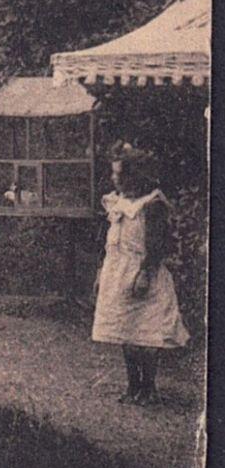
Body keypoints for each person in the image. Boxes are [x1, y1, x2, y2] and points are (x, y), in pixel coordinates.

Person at [92, 142, 188, 406]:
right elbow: (110, 241)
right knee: (126, 331)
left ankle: (149, 388)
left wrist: (145, 272)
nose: (114, 179)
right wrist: (102, 272)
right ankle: (132, 386)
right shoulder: (117, 203)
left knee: (147, 332)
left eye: (119, 174)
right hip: (117, 272)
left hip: (144, 273)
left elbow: (159, 244)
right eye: (114, 174)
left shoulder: (151, 205)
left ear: (135, 176)